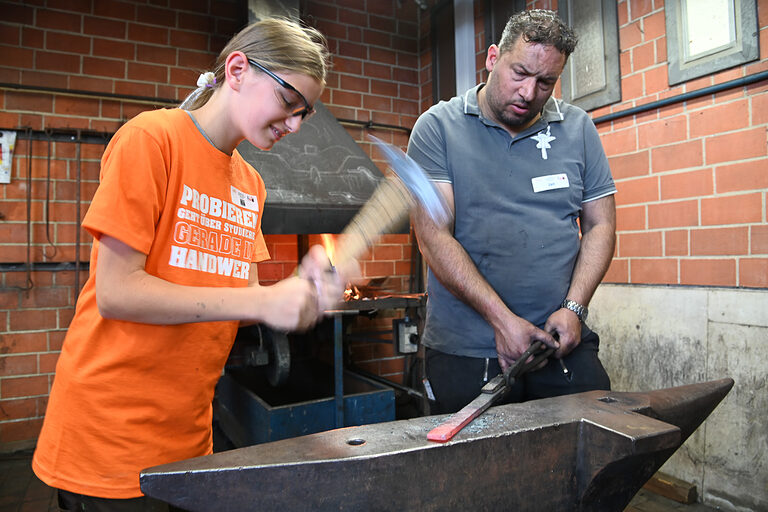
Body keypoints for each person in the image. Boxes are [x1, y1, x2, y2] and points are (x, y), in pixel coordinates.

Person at [32, 17, 347, 511]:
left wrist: (295, 293)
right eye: (289, 103)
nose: (294, 125)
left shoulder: (250, 184)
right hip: (109, 438)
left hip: (188, 436)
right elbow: (117, 293)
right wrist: (264, 298)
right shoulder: (152, 140)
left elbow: (237, 301)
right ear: (238, 69)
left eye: (304, 114)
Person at [407, 9, 616, 415]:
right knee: (475, 472)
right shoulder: (438, 128)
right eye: (519, 73)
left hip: (558, 344)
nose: (528, 92)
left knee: (591, 454)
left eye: (545, 83)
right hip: (467, 349)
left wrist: (574, 309)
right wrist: (502, 322)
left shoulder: (577, 129)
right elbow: (433, 236)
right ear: (491, 58)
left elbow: (600, 225)